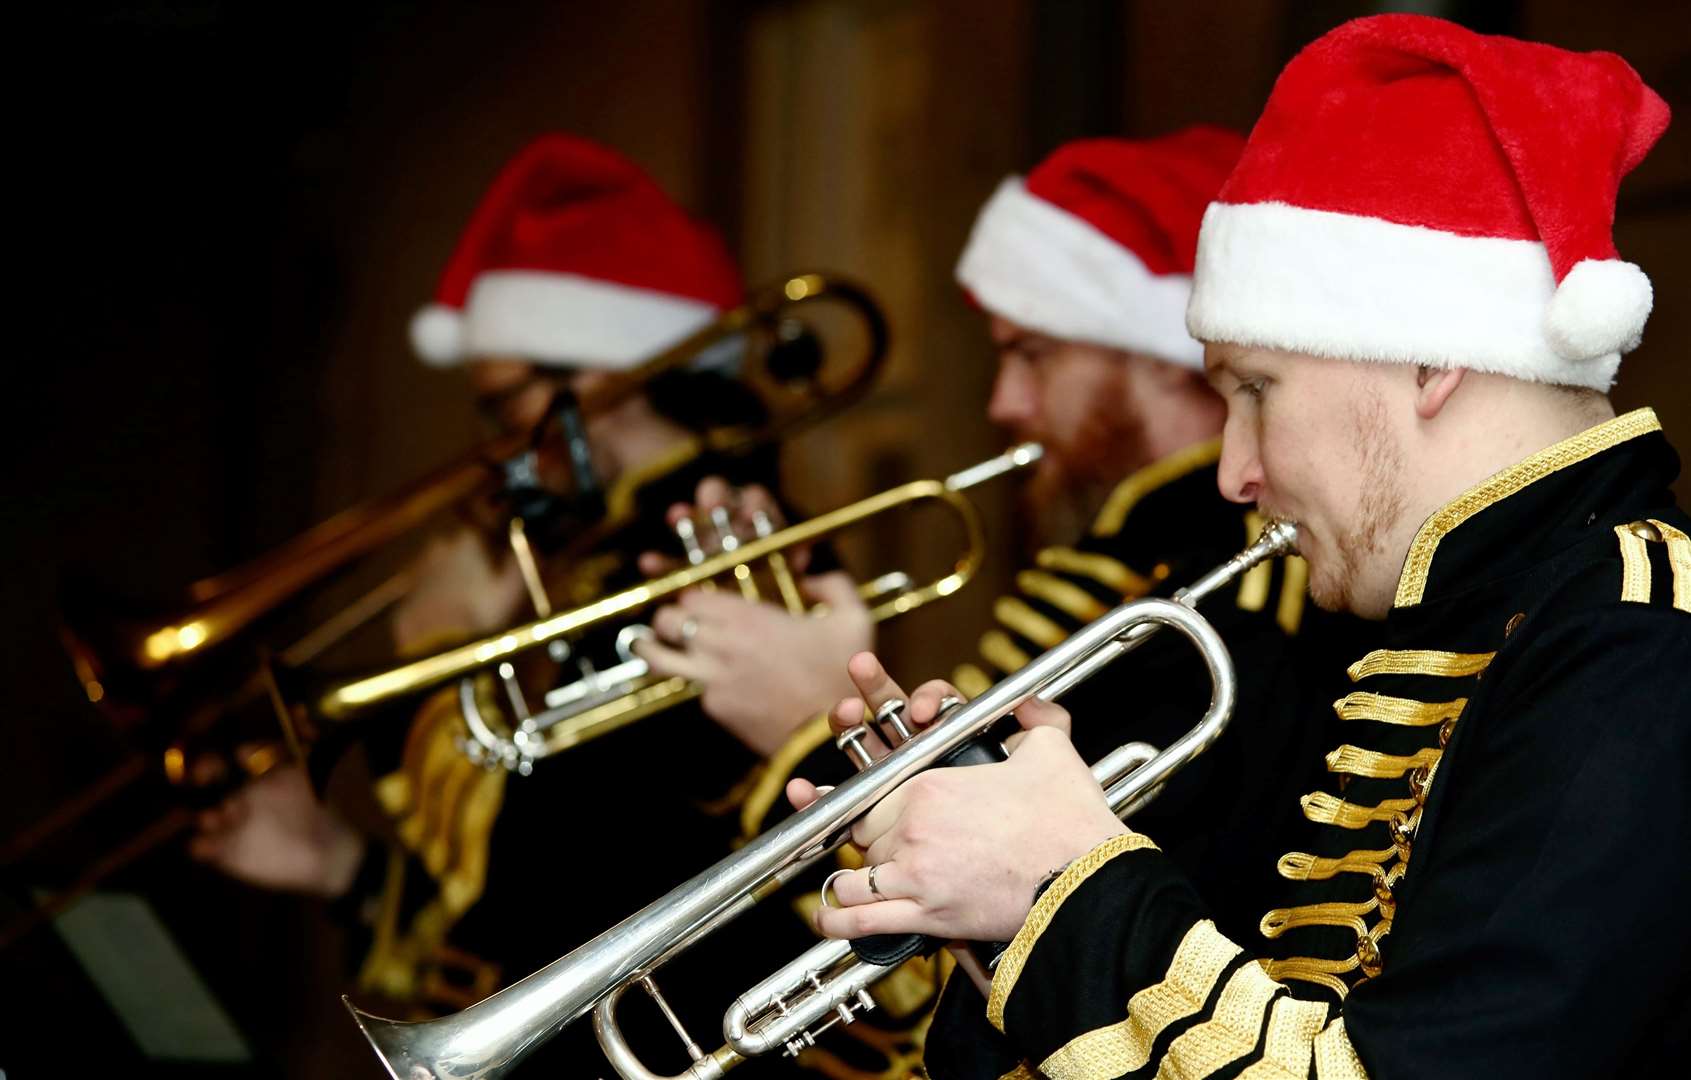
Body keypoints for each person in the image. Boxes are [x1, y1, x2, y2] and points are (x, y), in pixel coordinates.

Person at [801, 15, 1689, 1078]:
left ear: (1427, 360)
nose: (1231, 473)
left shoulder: (1635, 639)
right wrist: (993, 895)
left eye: (1254, 391)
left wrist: (1064, 880)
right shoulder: (1412, 609)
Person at [633, 130, 1366, 1078]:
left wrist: (805, 728)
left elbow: (1060, 942)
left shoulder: (1225, 592)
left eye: (1033, 355)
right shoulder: (1113, 567)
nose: (1005, 403)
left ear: (1157, 356)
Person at [191, 134, 812, 1073]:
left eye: (502, 406)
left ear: (597, 377)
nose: (494, 448)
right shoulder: (614, 544)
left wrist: (432, 655)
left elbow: (543, 882)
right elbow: (558, 900)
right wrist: (338, 865)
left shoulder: (702, 544)